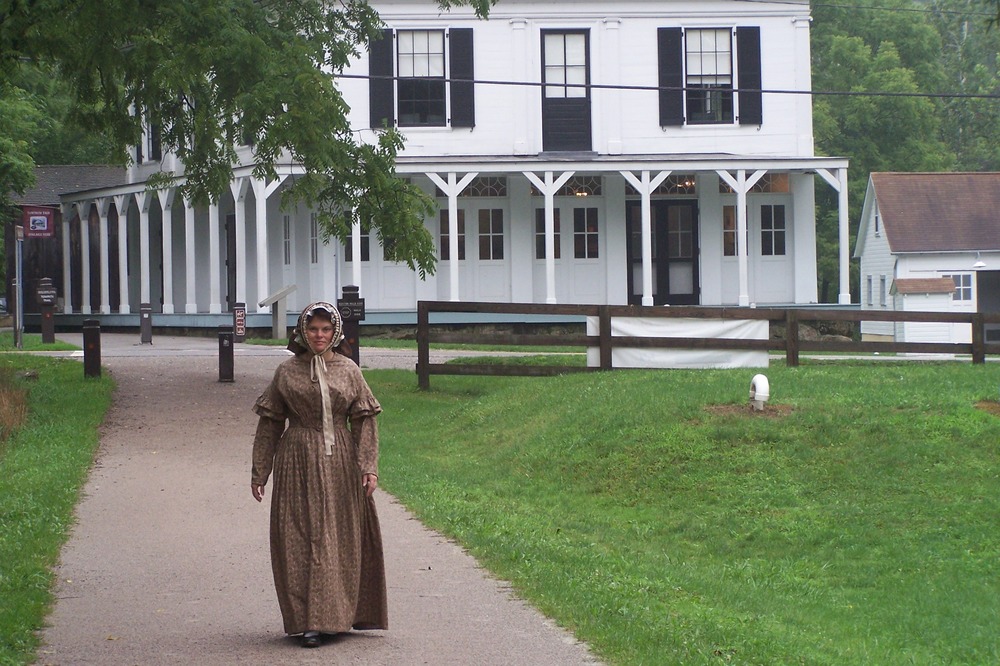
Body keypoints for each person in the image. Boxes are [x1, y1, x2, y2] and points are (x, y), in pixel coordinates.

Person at [250, 301, 388, 648]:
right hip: (296, 459)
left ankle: (334, 617)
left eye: (326, 330)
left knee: (334, 537)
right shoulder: (286, 372)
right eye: (313, 329)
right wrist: (260, 471)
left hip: (339, 460)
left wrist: (368, 466)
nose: (320, 336)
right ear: (303, 331)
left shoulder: (348, 370)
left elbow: (363, 420)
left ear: (335, 332)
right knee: (298, 537)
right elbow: (269, 423)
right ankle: (306, 620)